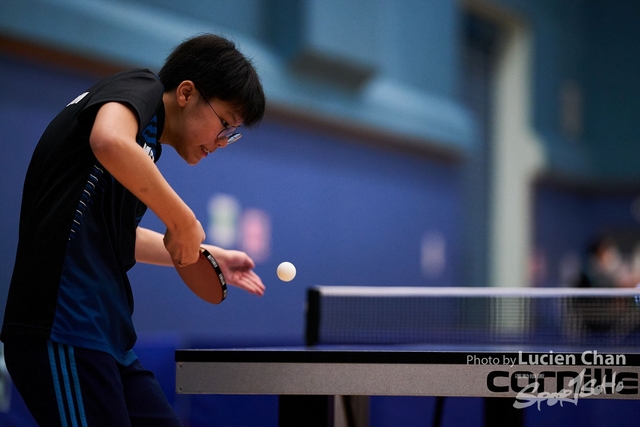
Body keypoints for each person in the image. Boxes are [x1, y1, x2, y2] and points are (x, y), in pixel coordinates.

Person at [1, 33, 266, 426]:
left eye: (232, 133)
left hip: (107, 336)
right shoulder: (140, 87)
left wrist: (207, 251)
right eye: (224, 124)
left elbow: (116, 234)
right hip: (64, 327)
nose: (223, 142)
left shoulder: (144, 149)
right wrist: (183, 221)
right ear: (186, 93)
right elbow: (108, 139)